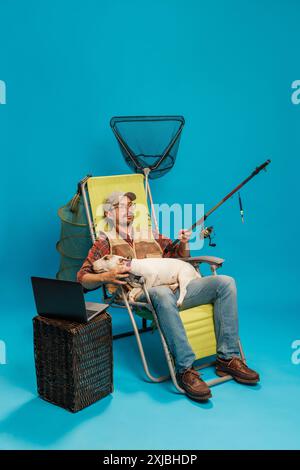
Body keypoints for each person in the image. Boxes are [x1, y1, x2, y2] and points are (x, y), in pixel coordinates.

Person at [77, 190, 260, 402]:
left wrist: (183, 243)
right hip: (143, 294)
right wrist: (107, 275)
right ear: (109, 214)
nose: (130, 209)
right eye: (123, 205)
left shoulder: (150, 233)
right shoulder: (104, 242)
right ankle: (185, 369)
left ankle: (227, 358)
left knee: (225, 283)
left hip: (178, 289)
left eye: (131, 205)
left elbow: (180, 260)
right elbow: (81, 278)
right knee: (162, 293)